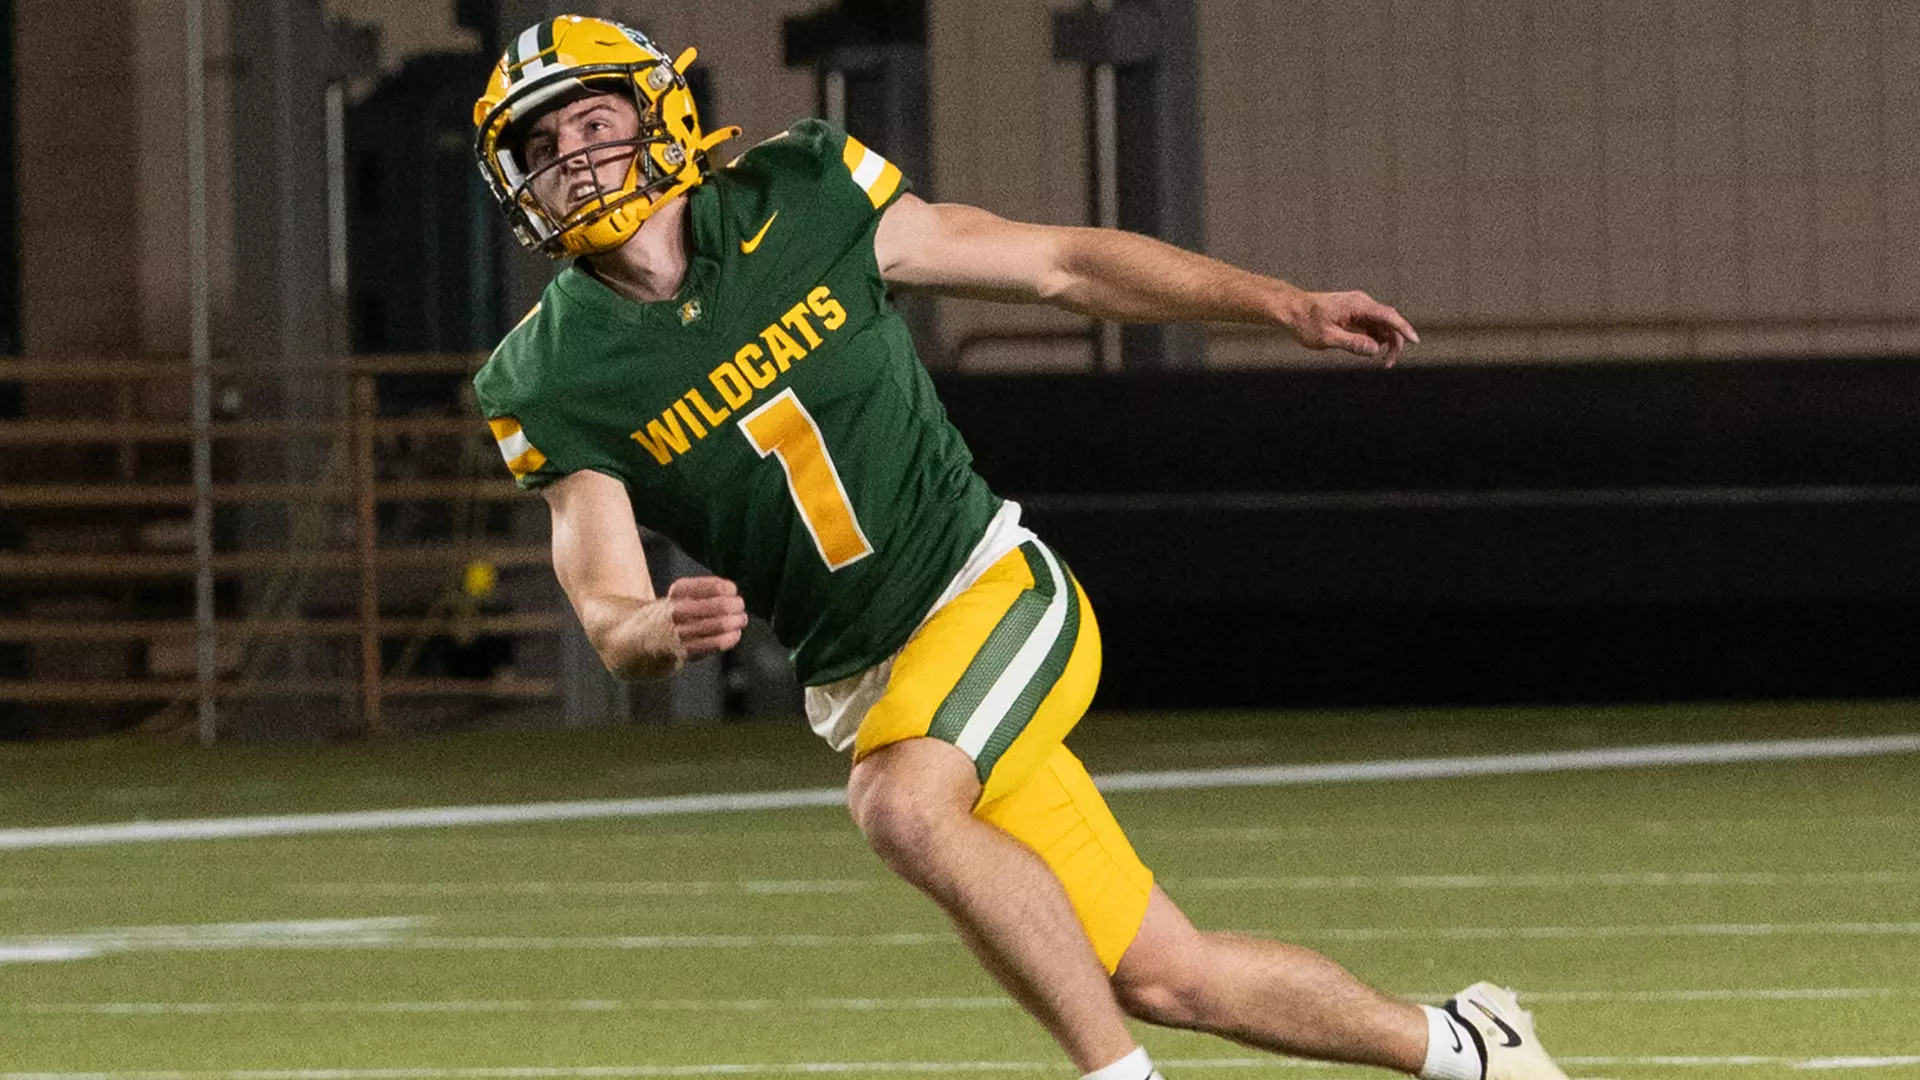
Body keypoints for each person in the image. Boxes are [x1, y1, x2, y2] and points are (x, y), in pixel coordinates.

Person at [471, 15, 1570, 1080]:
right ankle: (1470, 1047)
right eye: (542, 145)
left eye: (594, 121)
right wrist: (658, 627)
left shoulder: (802, 192)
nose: (574, 158)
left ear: (659, 113)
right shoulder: (547, 374)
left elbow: (1061, 265)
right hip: (869, 685)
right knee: (1170, 977)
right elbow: (608, 612)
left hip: (987, 591)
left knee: (901, 808)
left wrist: (1273, 303)